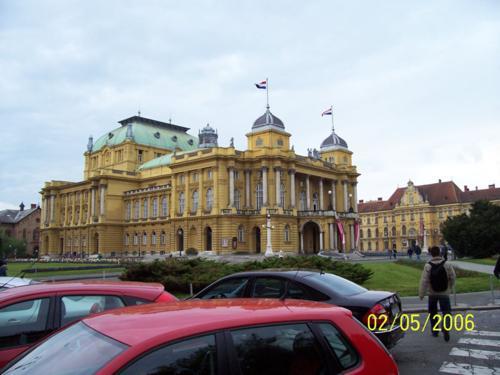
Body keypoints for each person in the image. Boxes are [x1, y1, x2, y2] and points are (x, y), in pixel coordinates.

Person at [419, 246, 456, 342]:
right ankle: (446, 327)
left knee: (433, 312)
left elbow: (424, 281)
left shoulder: (428, 265)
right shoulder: (447, 264)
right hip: (444, 292)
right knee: (446, 312)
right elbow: (453, 277)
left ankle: (435, 331)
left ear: (431, 254)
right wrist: (450, 287)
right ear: (439, 253)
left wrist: (421, 294)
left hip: (432, 293)